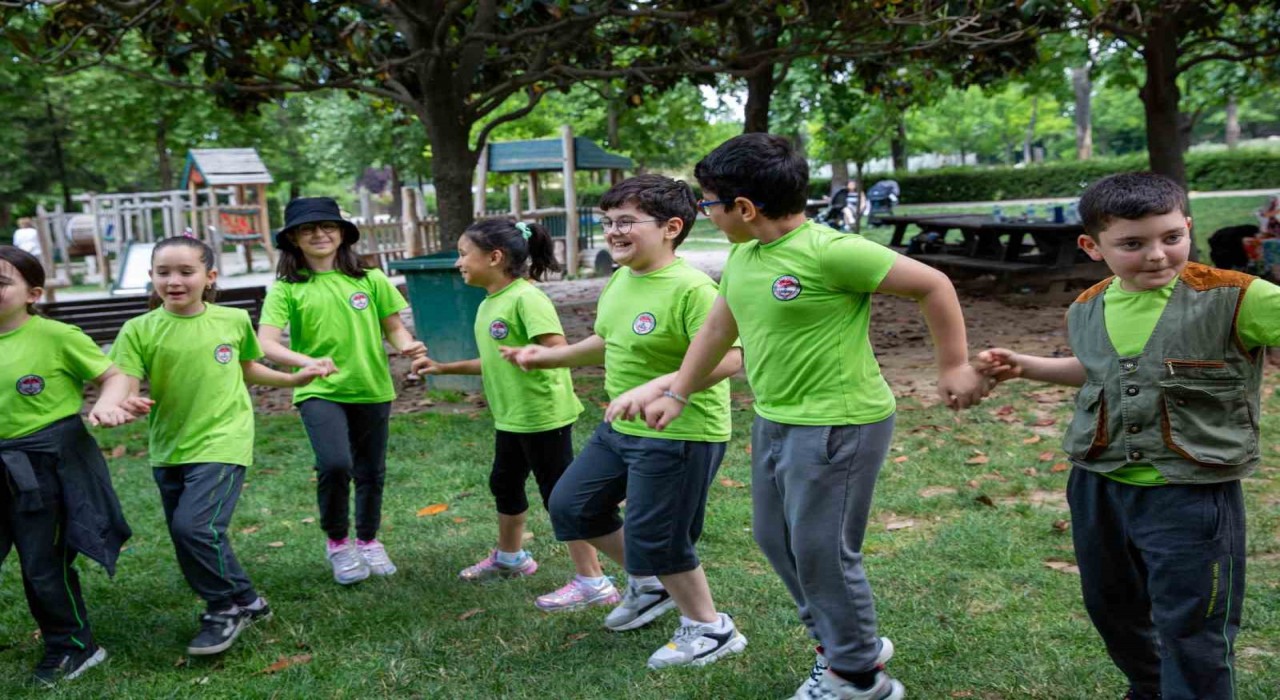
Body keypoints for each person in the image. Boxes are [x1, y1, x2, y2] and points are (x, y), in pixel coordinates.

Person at [643, 133, 986, 700]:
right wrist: (677, 392)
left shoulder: (831, 251)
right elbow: (718, 329)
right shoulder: (745, 256)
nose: (705, 211)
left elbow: (933, 285)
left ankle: (858, 677)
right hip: (776, 419)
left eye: (708, 202)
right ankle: (844, 642)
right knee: (775, 538)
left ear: (744, 208)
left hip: (839, 423)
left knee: (823, 551)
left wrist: (952, 366)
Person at [975, 172, 1279, 700]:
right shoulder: (1088, 306)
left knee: (1193, 622)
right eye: (1132, 244)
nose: (1157, 255)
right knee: (1112, 606)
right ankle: (1150, 687)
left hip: (1190, 492)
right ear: (1092, 247)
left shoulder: (1238, 297)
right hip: (1099, 485)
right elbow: (1102, 371)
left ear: (1188, 227)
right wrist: (1026, 367)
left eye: (1171, 237)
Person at [504, 174, 747, 669]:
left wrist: (662, 388)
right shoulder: (621, 278)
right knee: (572, 507)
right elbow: (607, 340)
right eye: (608, 222)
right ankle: (651, 584)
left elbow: (730, 358)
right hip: (621, 427)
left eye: (626, 221)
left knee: (659, 534)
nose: (613, 232)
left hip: (679, 431)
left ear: (671, 228)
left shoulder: (693, 289)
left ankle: (710, 628)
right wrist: (550, 357)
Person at [110, 236, 325, 656]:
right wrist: (125, 402)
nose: (174, 281)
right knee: (188, 535)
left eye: (186, 272)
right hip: (170, 446)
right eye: (163, 272)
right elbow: (126, 381)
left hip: (224, 438)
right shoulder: (138, 329)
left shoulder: (232, 319)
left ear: (209, 277)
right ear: (151, 276)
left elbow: (247, 369)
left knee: (195, 528)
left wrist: (292, 379)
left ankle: (223, 608)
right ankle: (248, 599)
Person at [410, 219, 612, 610]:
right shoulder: (490, 302)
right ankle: (511, 558)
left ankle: (593, 581)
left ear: (495, 257)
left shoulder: (526, 299)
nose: (458, 263)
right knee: (504, 483)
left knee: (559, 497)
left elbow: (557, 350)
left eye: (463, 254)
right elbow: (495, 361)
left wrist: (535, 357)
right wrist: (444, 367)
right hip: (511, 416)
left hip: (543, 415)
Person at [257, 197, 426, 585]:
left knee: (371, 470)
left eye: (328, 226)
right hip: (318, 389)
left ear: (342, 233)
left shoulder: (371, 279)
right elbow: (266, 342)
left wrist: (408, 346)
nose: (319, 234)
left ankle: (367, 541)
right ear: (293, 239)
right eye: (308, 228)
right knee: (335, 465)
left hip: (370, 386)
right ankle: (337, 543)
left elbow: (394, 327)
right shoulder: (287, 288)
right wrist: (305, 363)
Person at [0, 245, 136, 686]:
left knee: (42, 564)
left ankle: (73, 646)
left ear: (33, 293)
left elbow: (113, 376)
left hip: (45, 466)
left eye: (1, 283)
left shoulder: (57, 336)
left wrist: (108, 405)